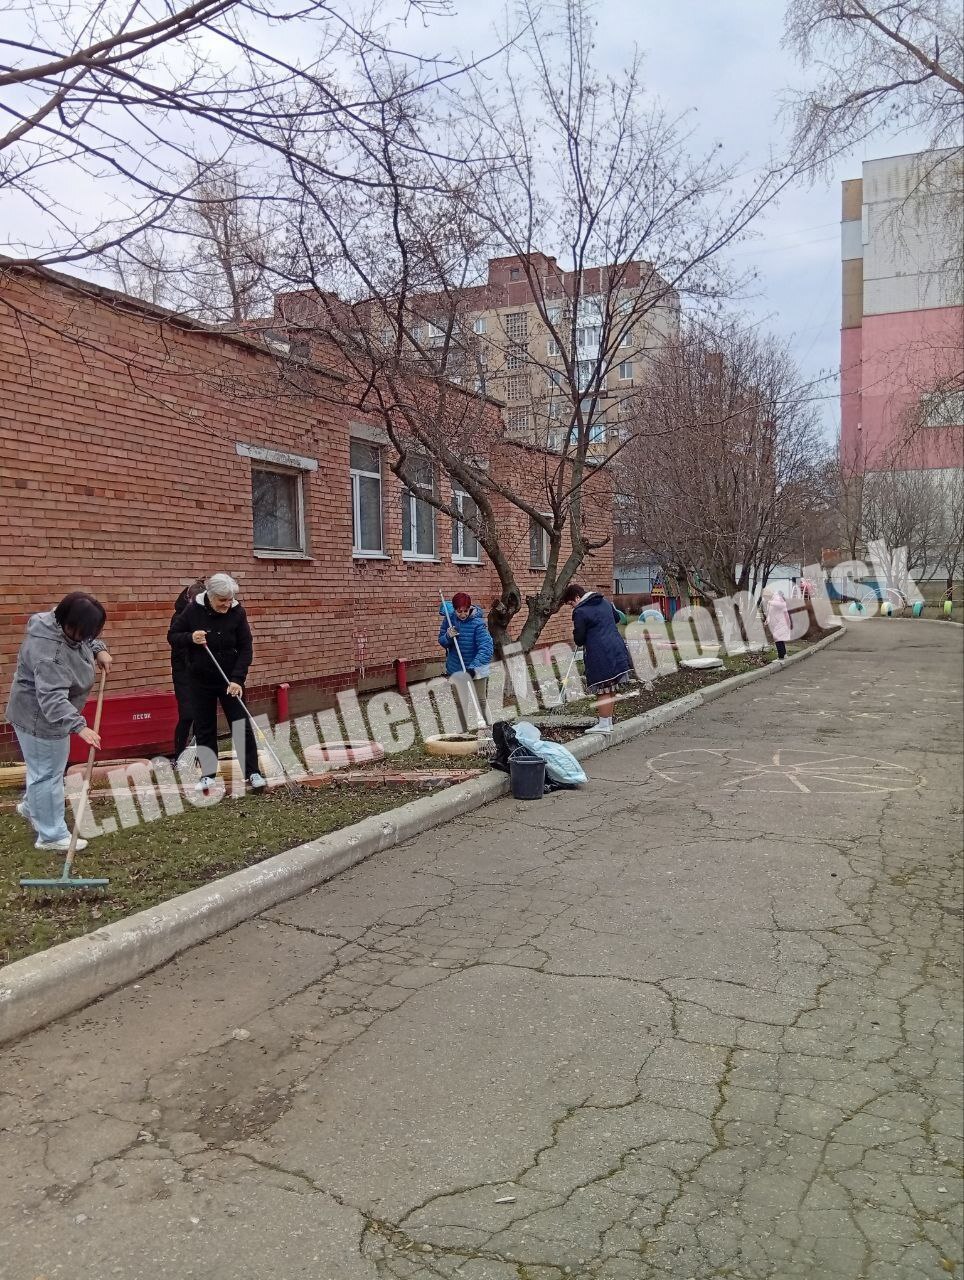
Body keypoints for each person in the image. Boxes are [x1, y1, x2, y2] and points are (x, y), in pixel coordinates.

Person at [5, 592, 111, 851]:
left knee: (43, 769)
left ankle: (32, 807)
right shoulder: (50, 654)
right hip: (40, 719)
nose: (87, 638)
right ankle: (51, 836)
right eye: (85, 633)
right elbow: (51, 698)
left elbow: (82, 642)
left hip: (42, 714)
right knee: (47, 775)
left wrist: (99, 650)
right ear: (69, 623)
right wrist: (79, 726)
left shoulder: (58, 622)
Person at [167, 573, 265, 790]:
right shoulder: (193, 610)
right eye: (222, 600)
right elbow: (173, 636)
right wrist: (190, 638)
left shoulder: (237, 612)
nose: (227, 604)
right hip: (200, 678)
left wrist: (238, 679)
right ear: (210, 596)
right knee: (204, 726)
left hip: (230, 679)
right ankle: (208, 774)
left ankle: (252, 772)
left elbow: (246, 647)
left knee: (240, 724)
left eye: (230, 599)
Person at [562, 583, 633, 734]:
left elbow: (579, 639)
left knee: (603, 689)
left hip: (601, 653)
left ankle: (603, 724)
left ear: (577, 597)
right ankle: (608, 722)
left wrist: (579, 633)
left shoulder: (580, 611)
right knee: (611, 687)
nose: (572, 607)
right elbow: (616, 618)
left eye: (571, 603)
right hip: (617, 647)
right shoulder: (605, 602)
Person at [438, 592, 493, 726]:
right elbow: (442, 641)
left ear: (470, 608)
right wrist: (448, 636)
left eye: (465, 611)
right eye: (459, 611)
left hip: (477, 668)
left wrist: (473, 668)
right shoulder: (449, 620)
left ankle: (488, 729)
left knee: (481, 701)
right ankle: (462, 732)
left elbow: (486, 648)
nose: (463, 614)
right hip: (456, 668)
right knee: (460, 703)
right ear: (455, 609)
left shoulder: (478, 623)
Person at [169, 576, 205, 759]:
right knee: (187, 714)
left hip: (201, 671)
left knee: (202, 714)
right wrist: (192, 639)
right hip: (183, 671)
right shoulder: (179, 616)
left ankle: (199, 753)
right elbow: (175, 640)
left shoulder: (204, 613)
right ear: (189, 599)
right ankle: (179, 754)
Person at [766, 590, 792, 660]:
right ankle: (784, 654)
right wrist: (768, 619)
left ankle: (781, 656)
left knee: (777, 638)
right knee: (779, 638)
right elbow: (770, 612)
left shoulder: (776, 598)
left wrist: (770, 602)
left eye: (766, 597)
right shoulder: (772, 599)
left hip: (782, 621)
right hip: (778, 622)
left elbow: (782, 605)